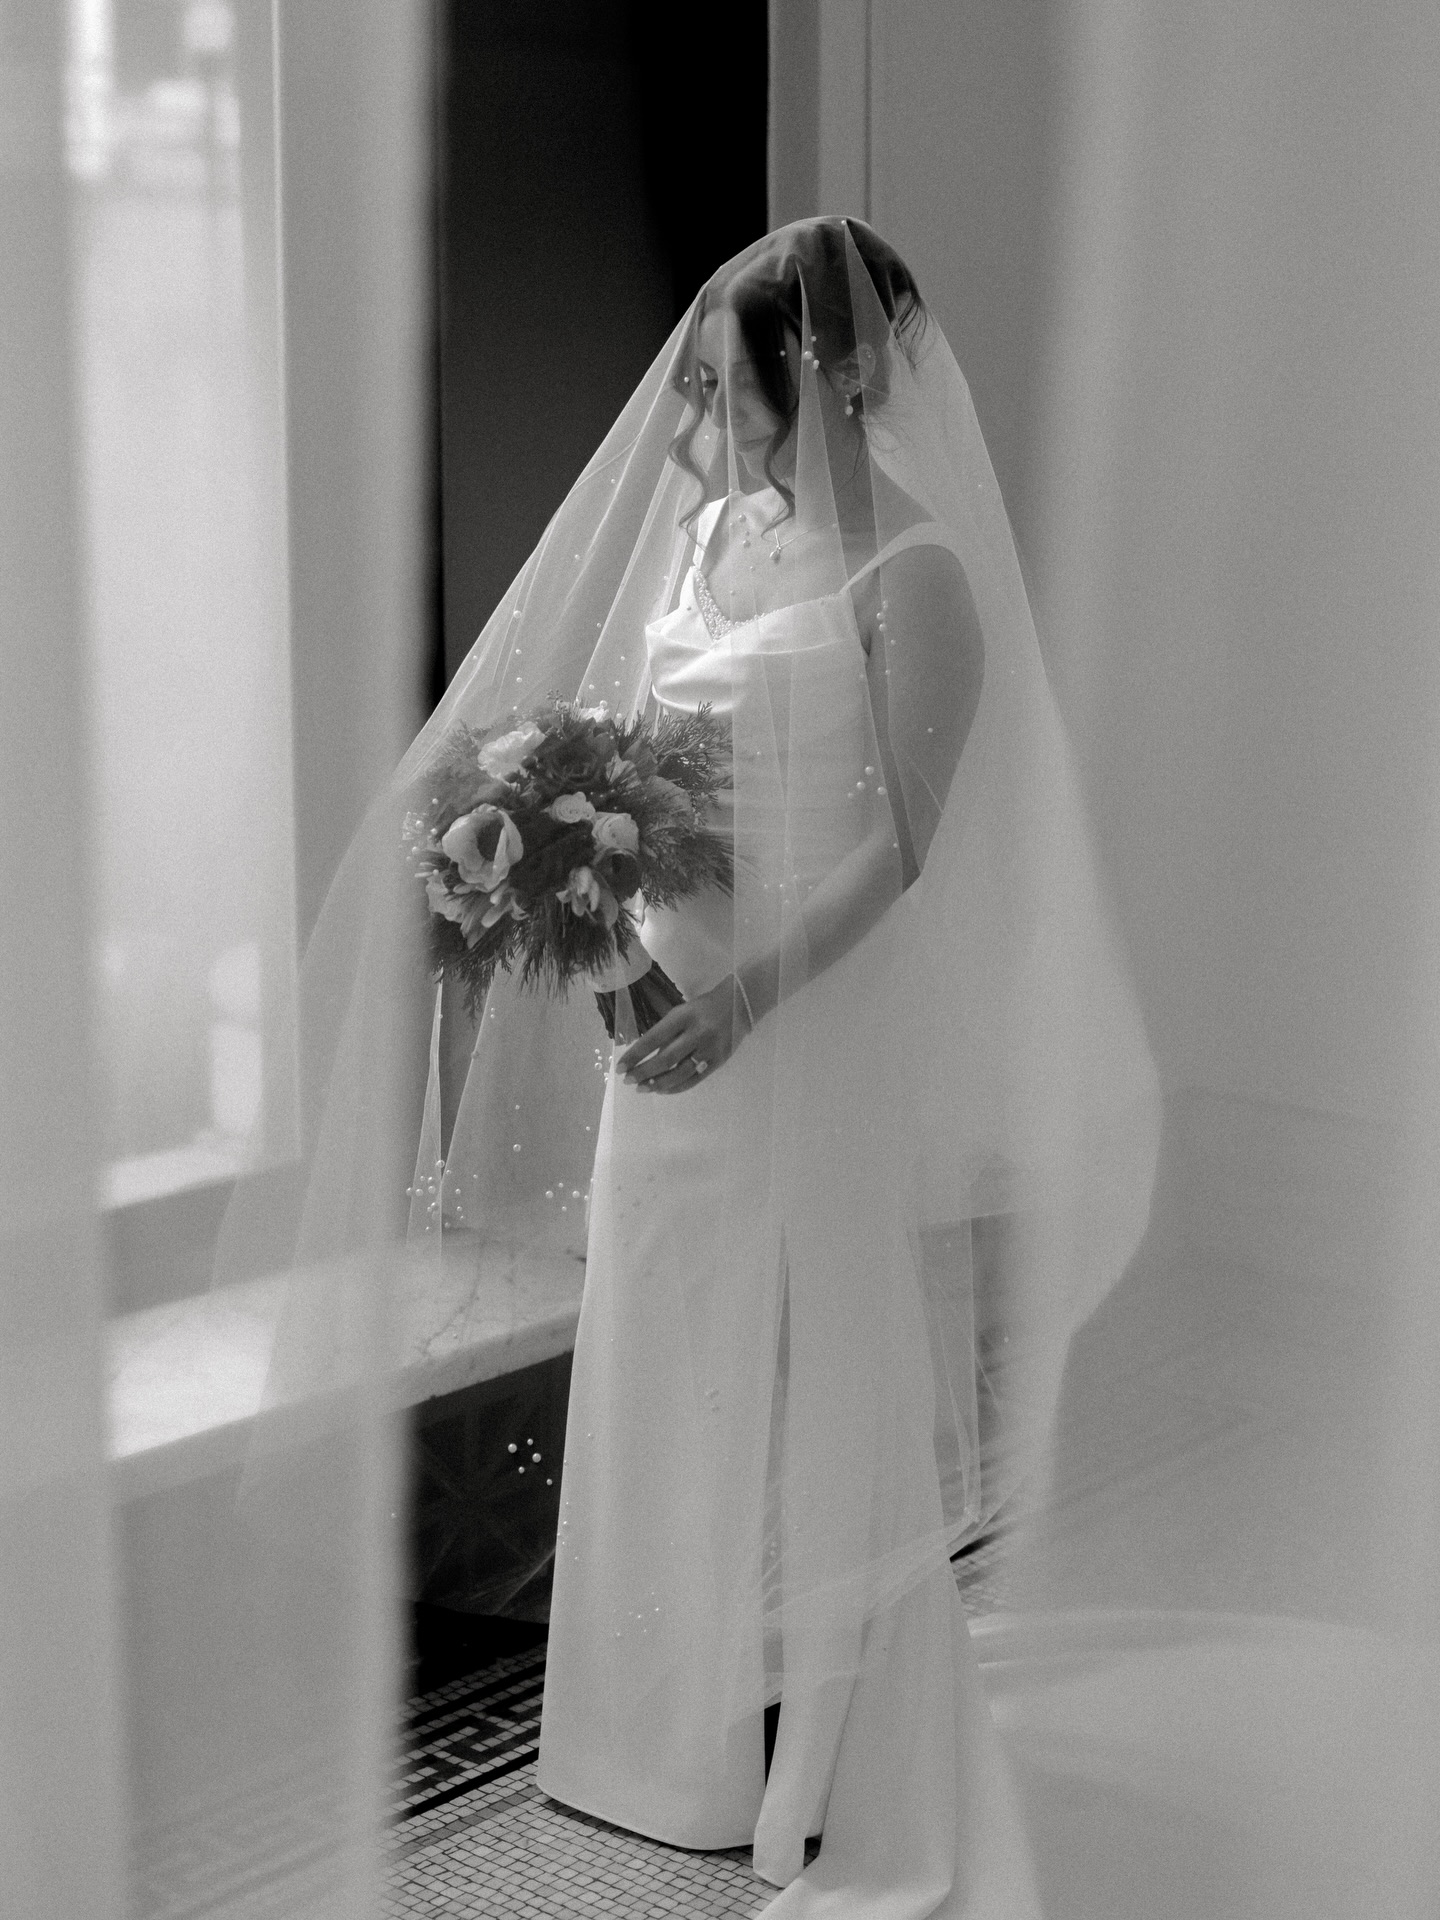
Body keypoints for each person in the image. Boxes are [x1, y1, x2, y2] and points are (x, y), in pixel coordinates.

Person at [225, 217, 1160, 1914]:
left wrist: (748, 1004)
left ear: (831, 378)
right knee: (660, 1345)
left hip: (807, 1030)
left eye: (722, 396)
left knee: (811, 1372)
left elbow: (907, 853)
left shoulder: (919, 579)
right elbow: (638, 785)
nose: (688, 434)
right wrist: (609, 948)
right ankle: (649, 1749)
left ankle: (821, 1747)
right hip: (662, 1030)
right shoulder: (712, 542)